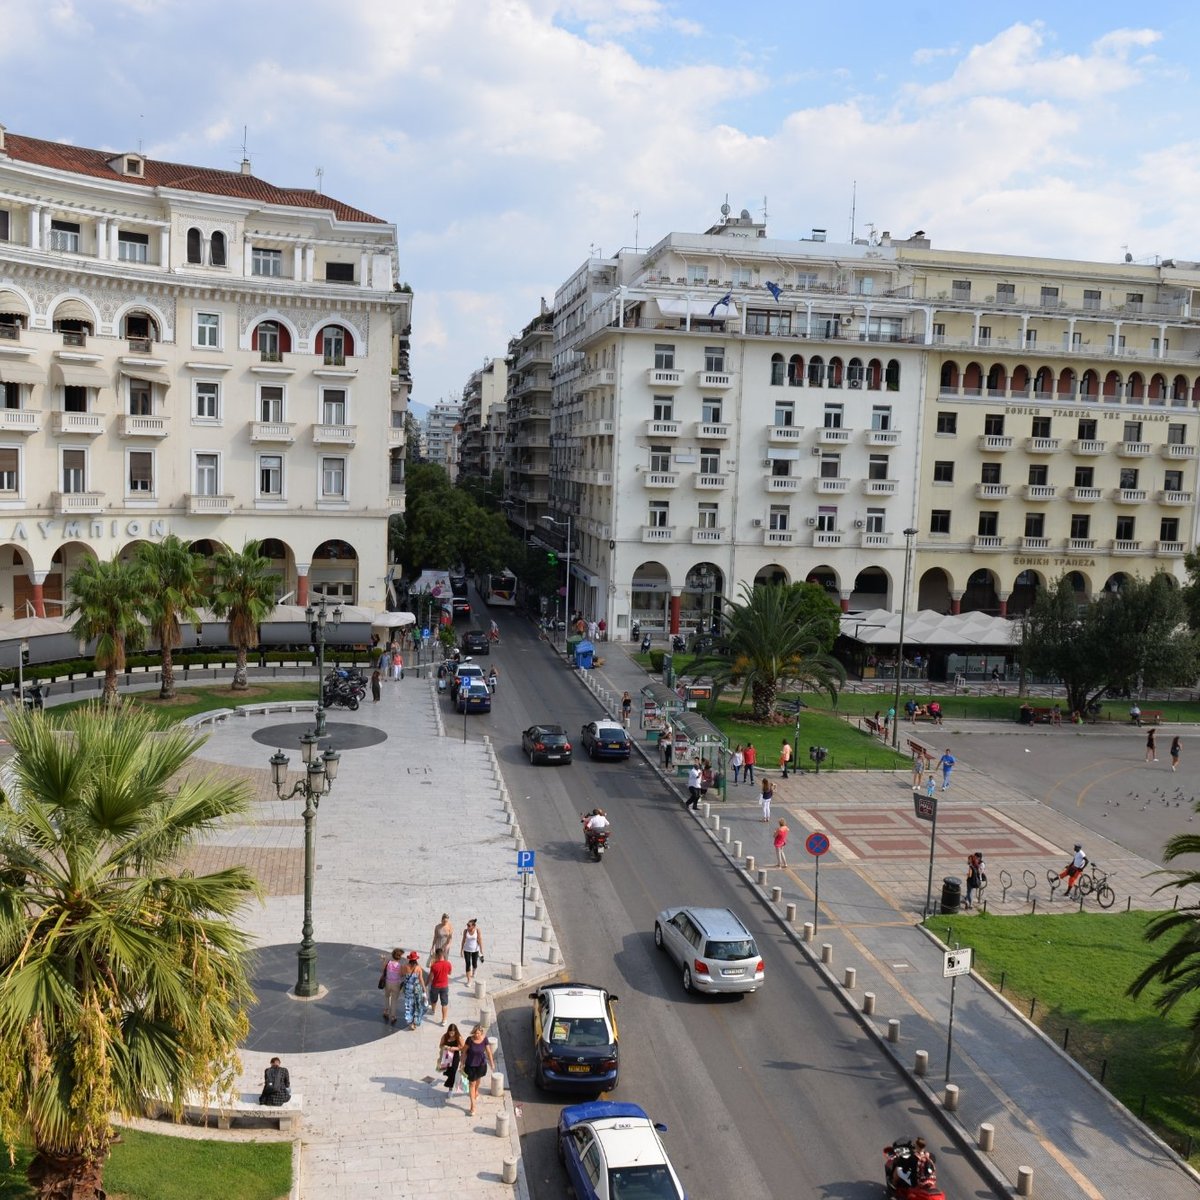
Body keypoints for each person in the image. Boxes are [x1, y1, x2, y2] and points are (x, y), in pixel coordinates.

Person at [462, 1024, 496, 1118]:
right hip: (470, 1065)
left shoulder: (485, 1039)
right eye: (475, 1033)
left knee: (478, 1079)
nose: (477, 1035)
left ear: (481, 1033)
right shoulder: (469, 1040)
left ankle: (476, 1091)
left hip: (481, 1065)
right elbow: (464, 1051)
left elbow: (489, 1052)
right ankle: (473, 1106)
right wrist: (462, 1063)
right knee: (471, 1084)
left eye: (478, 1033)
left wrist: (492, 1063)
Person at [436, 1023, 466, 1100]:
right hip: (446, 1056)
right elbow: (440, 1045)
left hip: (455, 1056)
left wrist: (454, 1048)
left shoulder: (458, 1037)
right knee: (449, 1072)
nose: (451, 1034)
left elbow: (463, 1047)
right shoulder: (445, 1036)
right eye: (450, 1032)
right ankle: (450, 1082)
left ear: (455, 1031)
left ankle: (450, 1089)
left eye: (453, 1032)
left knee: (453, 1072)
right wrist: (445, 1047)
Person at [401, 951, 427, 1029]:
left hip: (408, 989)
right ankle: (415, 1022)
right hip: (416, 988)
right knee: (417, 1005)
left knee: (409, 1005)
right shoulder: (418, 968)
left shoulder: (405, 967)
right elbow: (421, 979)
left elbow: (402, 974)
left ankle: (410, 1023)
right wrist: (424, 989)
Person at [380, 946, 406, 1025]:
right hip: (396, 984)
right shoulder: (399, 966)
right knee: (394, 1000)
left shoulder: (388, 963)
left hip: (388, 983)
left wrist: (384, 960)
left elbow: (382, 969)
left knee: (387, 996)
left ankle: (386, 1011)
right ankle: (393, 1016)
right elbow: (401, 975)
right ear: (399, 957)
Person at [427, 948, 453, 1024]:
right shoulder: (448, 964)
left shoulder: (434, 966)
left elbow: (431, 977)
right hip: (444, 986)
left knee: (434, 1000)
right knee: (444, 1003)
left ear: (436, 956)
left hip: (435, 986)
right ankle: (444, 1020)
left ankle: (433, 1010)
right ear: (443, 955)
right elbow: (450, 973)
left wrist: (426, 983)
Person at [461, 918, 483, 983]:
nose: (467, 926)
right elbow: (463, 940)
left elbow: (480, 940)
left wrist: (481, 950)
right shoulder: (465, 931)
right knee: (468, 964)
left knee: (474, 963)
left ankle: (474, 970)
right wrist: (461, 950)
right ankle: (469, 980)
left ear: (473, 926)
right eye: (467, 925)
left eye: (469, 925)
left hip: (475, 950)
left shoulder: (477, 931)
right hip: (466, 949)